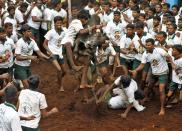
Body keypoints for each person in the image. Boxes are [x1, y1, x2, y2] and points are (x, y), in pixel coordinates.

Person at [130, 38, 174, 115]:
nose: (147, 46)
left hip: (163, 73)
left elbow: (169, 57)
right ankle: (145, 98)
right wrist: (136, 70)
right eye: (146, 45)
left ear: (153, 45)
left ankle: (162, 109)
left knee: (161, 90)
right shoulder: (145, 54)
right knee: (149, 86)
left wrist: (172, 64)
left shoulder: (159, 50)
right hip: (154, 73)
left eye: (149, 45)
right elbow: (142, 65)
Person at [43, 16, 67, 92]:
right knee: (59, 70)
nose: (59, 24)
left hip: (60, 53)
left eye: (60, 23)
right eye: (58, 23)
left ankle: (58, 78)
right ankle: (61, 86)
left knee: (64, 72)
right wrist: (50, 53)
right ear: (54, 23)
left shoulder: (64, 31)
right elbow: (44, 44)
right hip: (52, 53)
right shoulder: (51, 32)